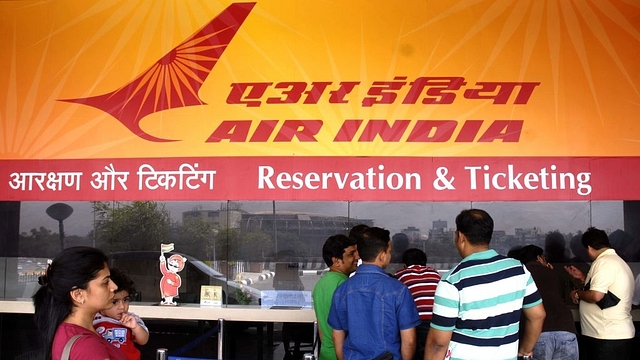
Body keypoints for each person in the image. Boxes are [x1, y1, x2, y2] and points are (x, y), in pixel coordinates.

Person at [425, 209, 546, 360]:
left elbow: (438, 343)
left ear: (460, 236)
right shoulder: (518, 270)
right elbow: (537, 316)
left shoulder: (453, 281)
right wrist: (524, 351)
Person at [328, 227, 420, 360]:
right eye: (389, 251)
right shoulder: (398, 290)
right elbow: (409, 340)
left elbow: (337, 336)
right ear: (382, 255)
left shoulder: (342, 290)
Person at [32, 246, 125, 360]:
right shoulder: (86, 346)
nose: (114, 287)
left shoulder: (67, 330)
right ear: (78, 295)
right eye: (105, 282)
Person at [566, 227, 635, 360]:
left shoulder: (604, 262)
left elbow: (597, 295)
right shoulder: (616, 262)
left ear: (590, 248)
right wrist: (582, 278)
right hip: (611, 335)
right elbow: (607, 290)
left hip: (606, 337)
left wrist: (577, 294)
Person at [517, 244, 578, 360]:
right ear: (540, 258)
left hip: (538, 333)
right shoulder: (555, 273)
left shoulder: (521, 275)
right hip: (566, 330)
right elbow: (563, 298)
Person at [312, 234, 359, 360]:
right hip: (342, 354)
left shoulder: (320, 285)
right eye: (351, 254)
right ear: (336, 261)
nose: (357, 257)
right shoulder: (345, 286)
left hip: (326, 353)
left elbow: (322, 329)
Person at [394, 248, 441, 360]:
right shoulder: (435, 273)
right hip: (436, 324)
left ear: (405, 265)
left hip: (416, 324)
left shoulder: (400, 275)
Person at [93, 268, 149, 360]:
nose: (122, 307)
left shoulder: (131, 319)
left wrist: (135, 327)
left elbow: (143, 340)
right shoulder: (94, 318)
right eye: (115, 302)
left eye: (125, 300)